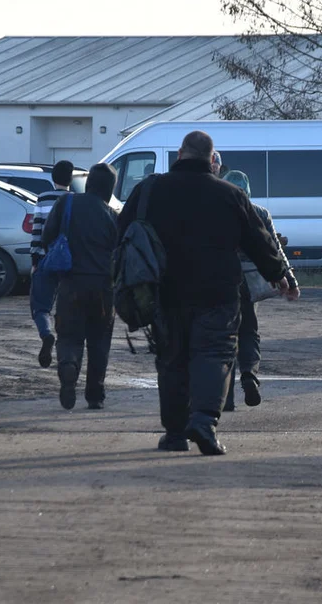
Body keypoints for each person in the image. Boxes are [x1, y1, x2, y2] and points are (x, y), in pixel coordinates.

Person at [118, 131, 290, 455]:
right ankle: (204, 422)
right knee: (214, 355)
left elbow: (123, 234)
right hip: (218, 293)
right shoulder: (231, 194)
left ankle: (174, 434)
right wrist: (279, 276)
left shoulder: (150, 190)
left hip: (165, 293)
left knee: (172, 361)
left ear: (180, 153)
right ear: (212, 160)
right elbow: (260, 239)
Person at [41, 163, 119, 411]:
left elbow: (47, 237)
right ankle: (95, 395)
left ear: (88, 183)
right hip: (103, 288)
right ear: (109, 189)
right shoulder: (112, 216)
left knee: (69, 335)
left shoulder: (66, 203)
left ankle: (69, 364)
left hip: (70, 283)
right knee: (99, 342)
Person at [220, 170, 300, 412]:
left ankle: (226, 399)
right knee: (249, 331)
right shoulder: (260, 213)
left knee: (224, 336)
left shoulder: (216, 212)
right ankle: (249, 376)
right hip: (252, 284)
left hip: (222, 281)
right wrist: (290, 280)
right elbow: (274, 249)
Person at [29, 160, 75, 368]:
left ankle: (46, 333)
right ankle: (66, 352)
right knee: (67, 308)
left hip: (46, 259)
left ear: (53, 178)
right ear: (70, 179)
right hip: (70, 263)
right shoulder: (75, 200)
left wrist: (35, 260)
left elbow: (37, 230)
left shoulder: (43, 198)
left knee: (41, 307)